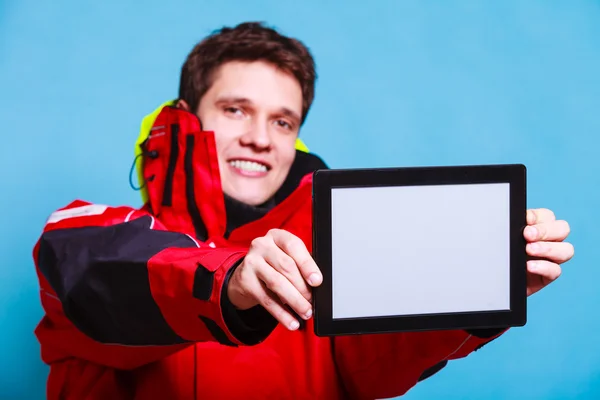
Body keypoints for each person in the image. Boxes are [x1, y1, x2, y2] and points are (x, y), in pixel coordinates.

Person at [33, 22, 574, 400]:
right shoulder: (88, 236)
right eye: (235, 109)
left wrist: (478, 288)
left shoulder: (333, 256)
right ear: (184, 118)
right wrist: (233, 282)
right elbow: (101, 280)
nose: (259, 138)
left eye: (282, 121)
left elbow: (375, 364)